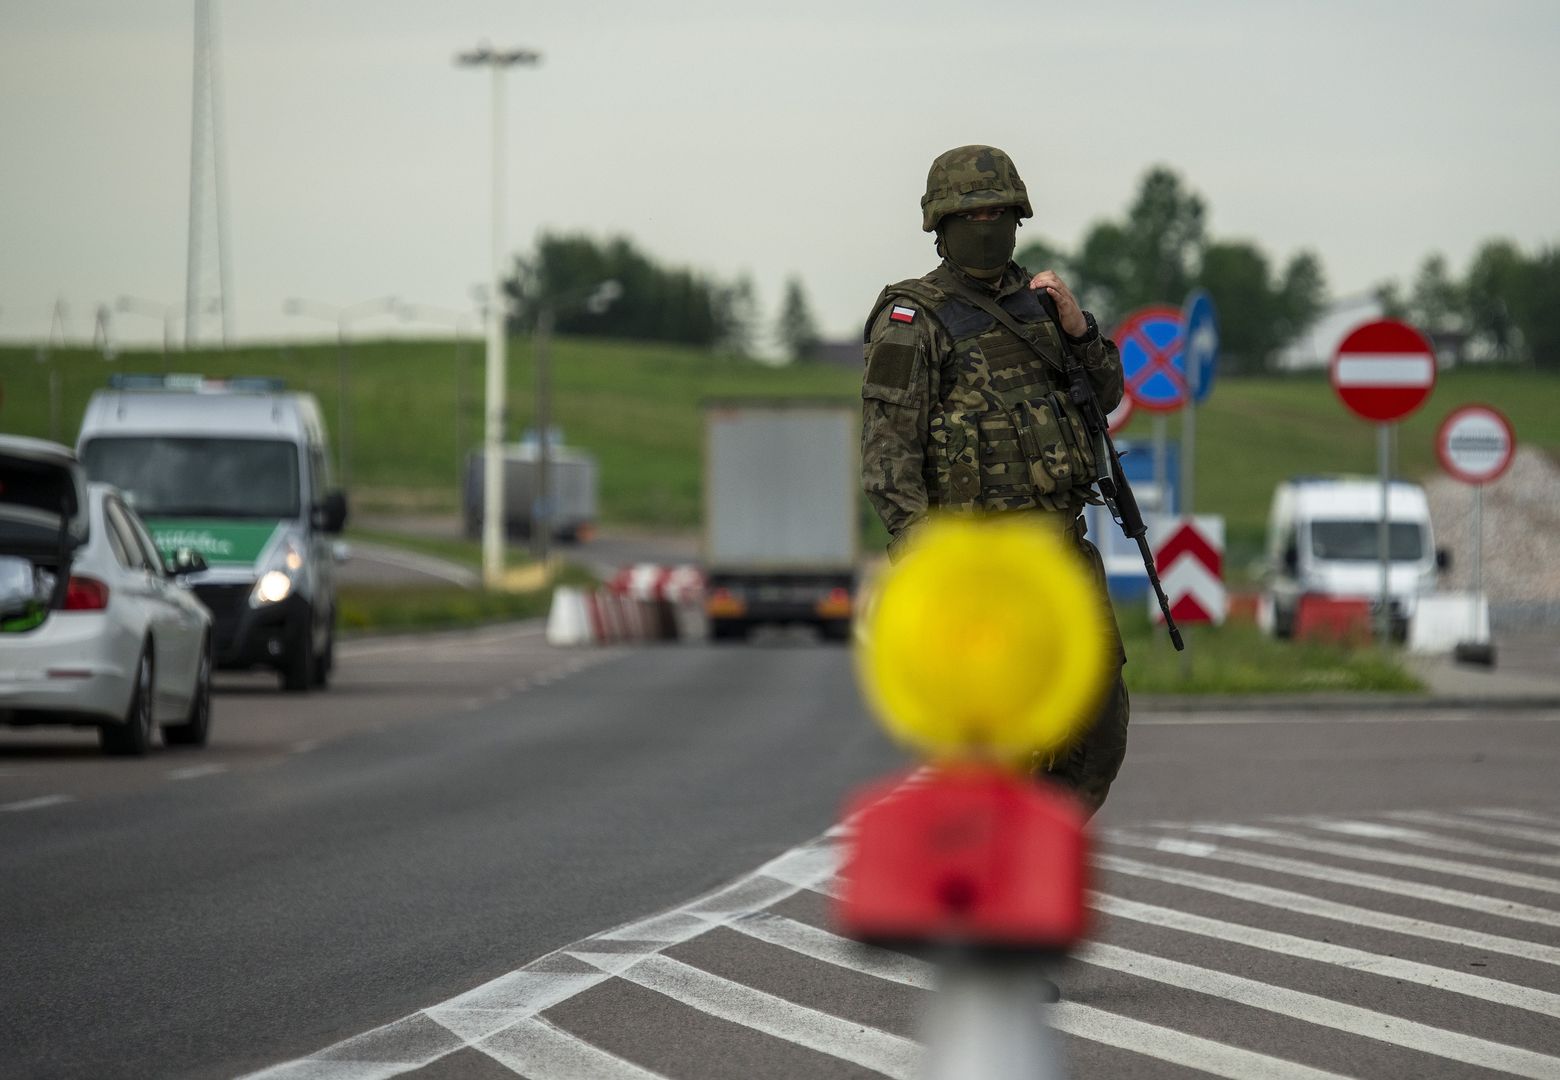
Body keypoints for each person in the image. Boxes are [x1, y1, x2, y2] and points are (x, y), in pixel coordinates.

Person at [860, 144, 1129, 818]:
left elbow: (1107, 395)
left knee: (1099, 729)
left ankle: (1036, 840)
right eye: (971, 213)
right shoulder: (912, 321)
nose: (987, 224)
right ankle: (992, 872)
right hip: (980, 569)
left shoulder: (1043, 307)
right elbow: (889, 465)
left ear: (1019, 216)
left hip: (1062, 556)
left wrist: (1080, 326)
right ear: (941, 225)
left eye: (999, 212)